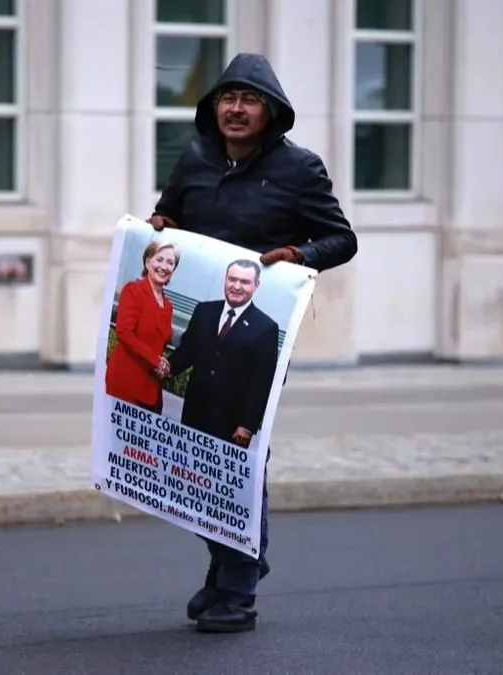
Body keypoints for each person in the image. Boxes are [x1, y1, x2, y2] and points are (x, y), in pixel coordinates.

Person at [148, 53, 358, 634]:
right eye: (226, 99)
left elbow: (341, 240)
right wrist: (158, 225)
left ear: (271, 112)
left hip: (260, 337)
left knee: (239, 450)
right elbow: (168, 217)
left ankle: (237, 589)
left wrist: (300, 255)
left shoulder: (300, 169)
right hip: (205, 328)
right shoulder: (192, 158)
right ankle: (233, 564)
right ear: (213, 107)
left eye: (249, 100)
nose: (236, 110)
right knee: (190, 453)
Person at [164, 258, 278, 444]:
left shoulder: (266, 328)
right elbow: (188, 351)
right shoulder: (204, 310)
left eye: (244, 282)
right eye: (232, 279)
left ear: (256, 285)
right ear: (225, 279)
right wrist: (167, 367)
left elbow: (262, 382)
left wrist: (248, 425)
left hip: (231, 424)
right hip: (194, 411)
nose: (236, 286)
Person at [105, 240, 179, 414]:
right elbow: (124, 332)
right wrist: (155, 360)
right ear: (147, 262)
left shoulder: (168, 305)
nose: (164, 267)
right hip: (126, 383)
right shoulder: (133, 290)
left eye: (170, 263)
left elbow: (161, 342)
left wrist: (165, 366)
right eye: (159, 259)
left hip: (152, 389)